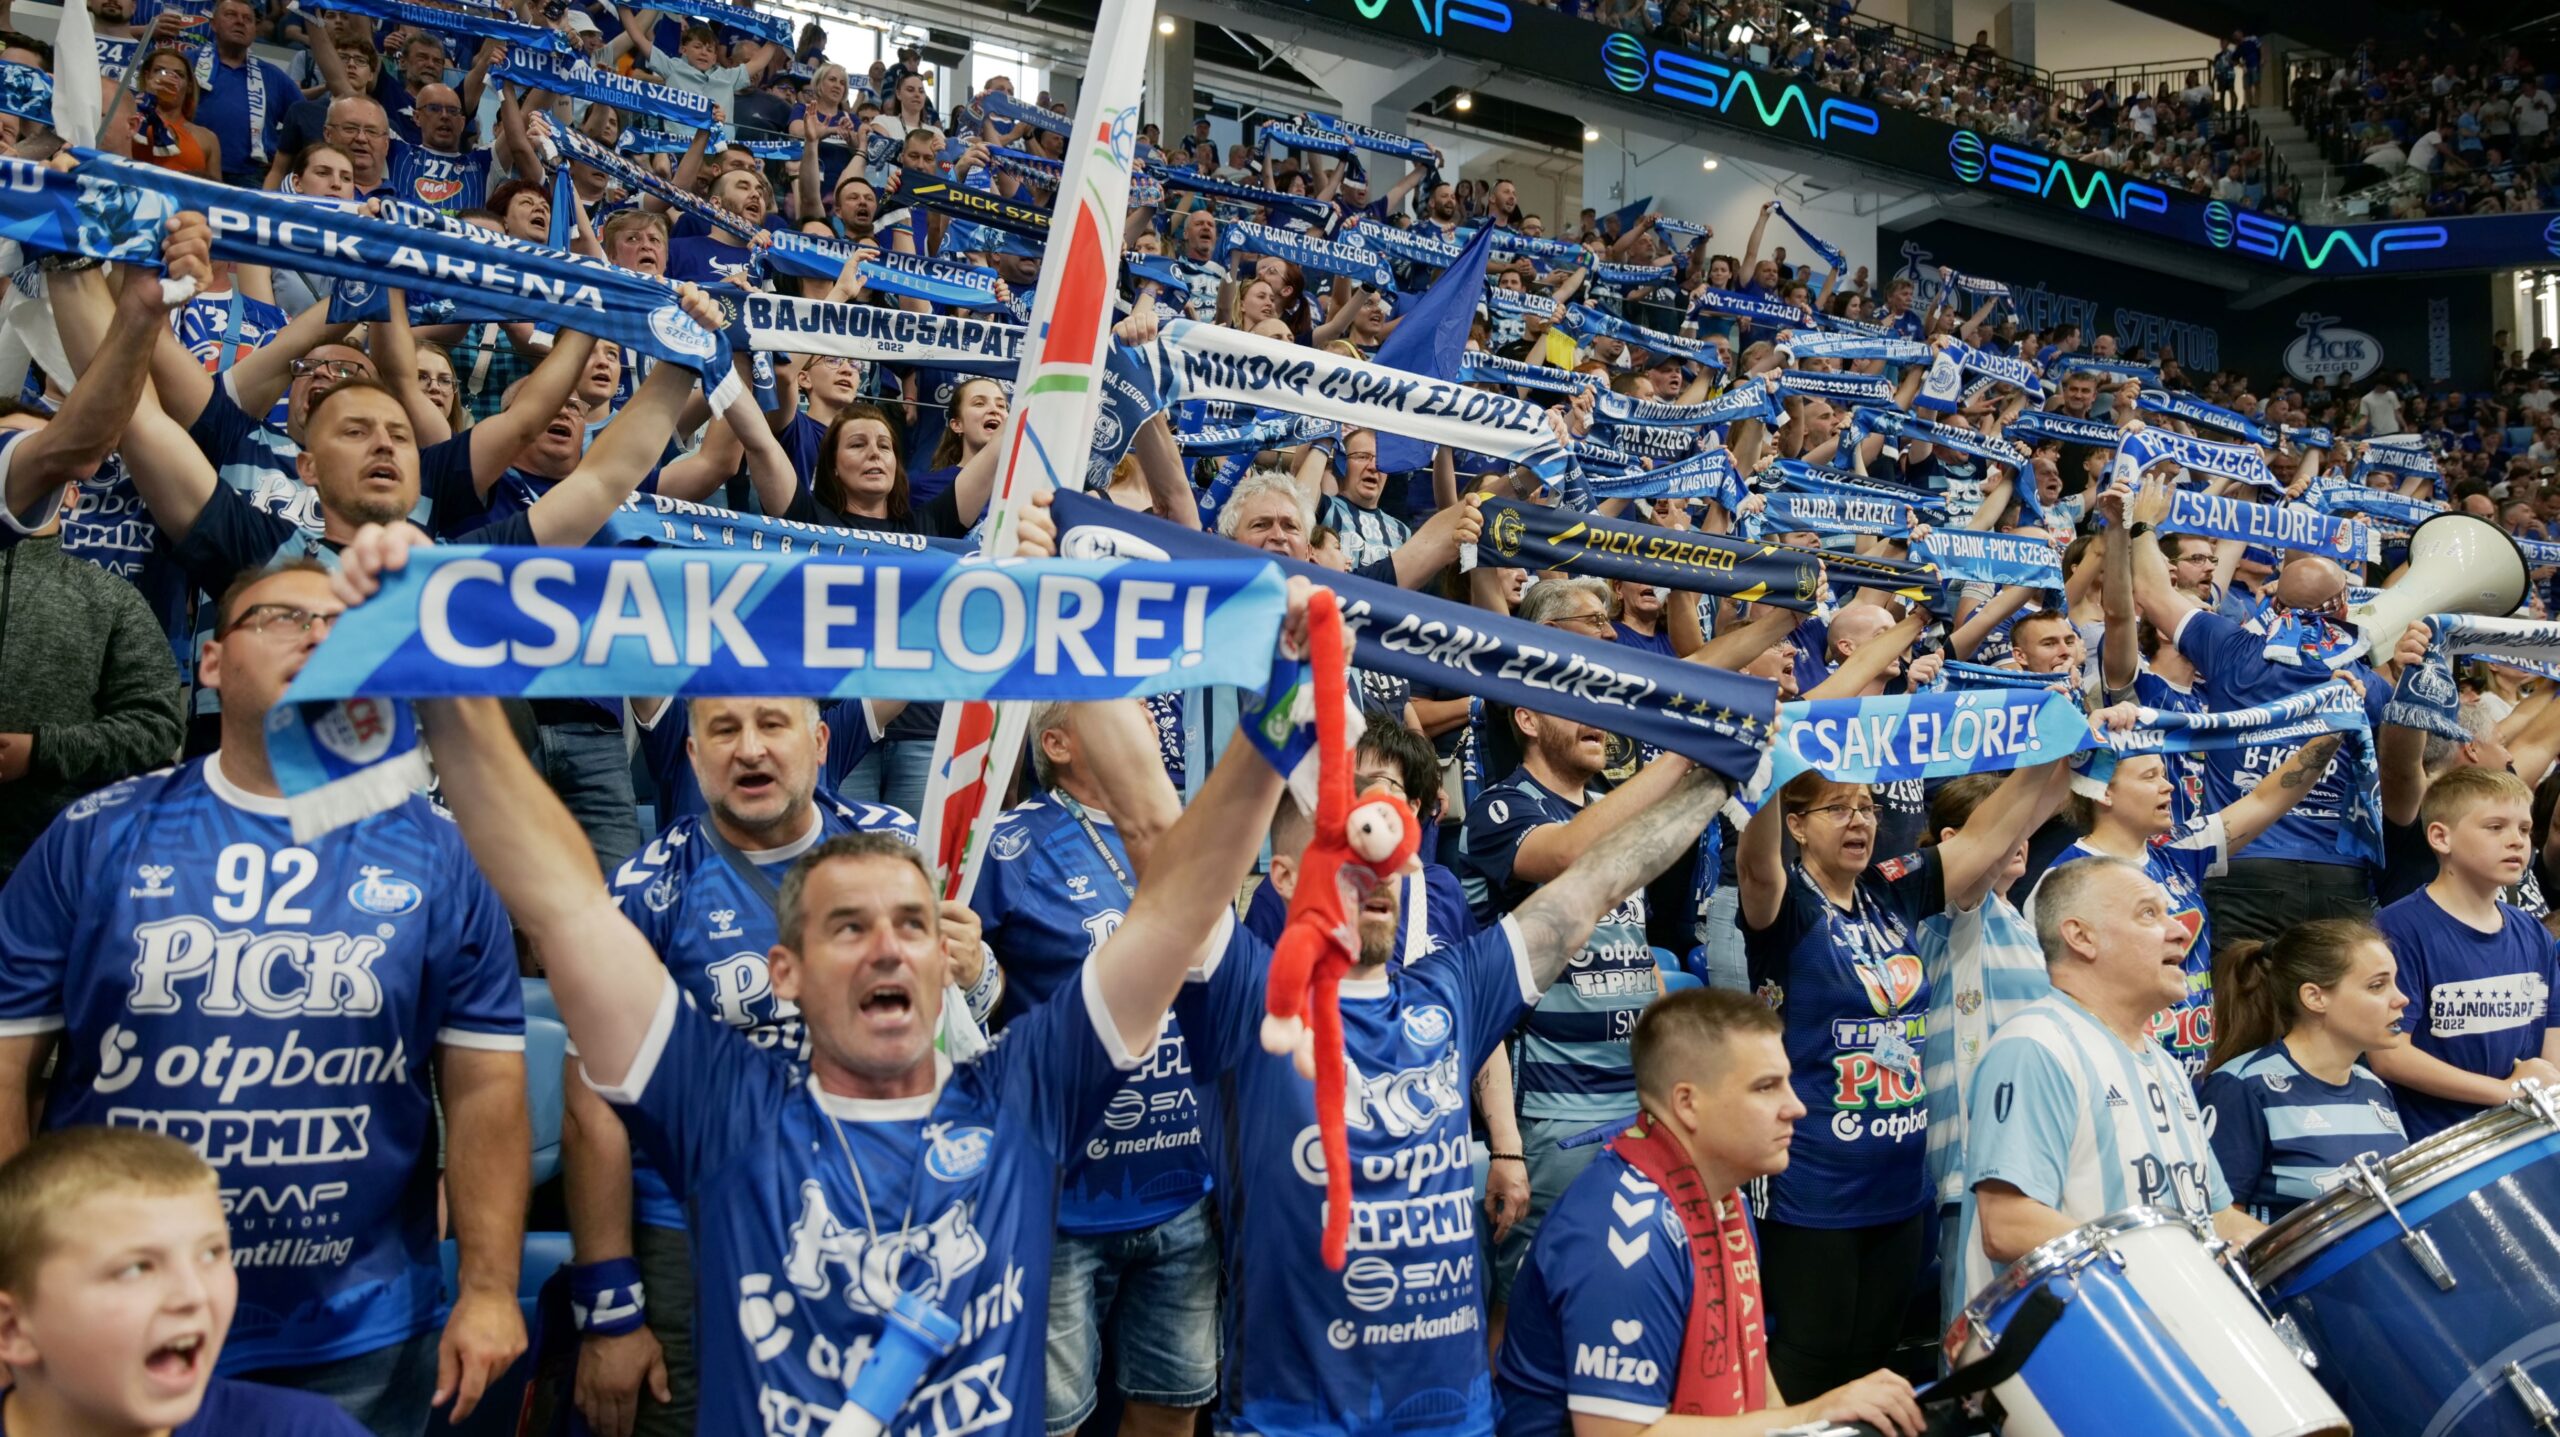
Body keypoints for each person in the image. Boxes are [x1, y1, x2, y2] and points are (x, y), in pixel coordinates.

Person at [351, 507, 1298, 1434]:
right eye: (847, 927)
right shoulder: (726, 1115)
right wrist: (432, 663)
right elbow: (563, 903)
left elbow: (1175, 893)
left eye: (911, 924)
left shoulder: (1023, 1094)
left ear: (944, 950)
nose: (886, 945)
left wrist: (1276, 698)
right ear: (786, 972)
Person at [0, 561, 530, 1437]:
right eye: (282, 616)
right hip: (106, 1310)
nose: (319, 636)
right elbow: (7, 1065)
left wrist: (487, 1286)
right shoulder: (96, 836)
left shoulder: (443, 853)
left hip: (357, 1330)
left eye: (342, 626)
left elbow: (485, 1087)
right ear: (210, 662)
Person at [1181, 756, 1730, 1437]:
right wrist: (1267, 733)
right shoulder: (1245, 999)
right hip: (1291, 1423)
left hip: (1455, 1420)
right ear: (1286, 878)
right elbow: (1157, 831)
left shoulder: (1454, 989)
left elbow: (1599, 882)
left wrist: (1719, 780)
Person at [562, 695, 935, 1437]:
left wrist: (977, 972)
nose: (750, 748)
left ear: (820, 740)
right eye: (724, 730)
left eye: (771, 724)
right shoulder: (643, 893)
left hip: (875, 1228)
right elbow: (591, 1107)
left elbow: (958, 1031)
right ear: (692, 755)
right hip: (695, 1242)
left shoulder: (897, 852)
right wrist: (610, 1314)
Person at [1735, 750, 2071, 1399]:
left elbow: (1986, 836)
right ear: (1797, 825)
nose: (1859, 820)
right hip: (1814, 1181)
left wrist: (2050, 753)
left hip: (1900, 1183)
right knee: (1811, 1364)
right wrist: (1769, 771)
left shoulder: (1893, 889)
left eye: (1867, 807)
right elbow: (1755, 864)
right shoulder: (1786, 905)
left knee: (1875, 1366)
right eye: (1839, 808)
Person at [1494, 990, 1923, 1437]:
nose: (1796, 1107)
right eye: (1766, 1087)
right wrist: (1811, 1414)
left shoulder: (1723, 1194)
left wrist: (1802, 1425)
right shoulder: (1626, 1236)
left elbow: (1752, 1365)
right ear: (1687, 1103)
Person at [972, 702, 1219, 1437]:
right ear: (1057, 742)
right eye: (1116, 702)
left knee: (1172, 1410)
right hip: (1059, 1203)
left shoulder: (1189, 833)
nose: (1145, 711)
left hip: (1183, 1191)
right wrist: (968, 966)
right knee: (1048, 1424)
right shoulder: (1007, 846)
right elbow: (961, 998)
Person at [1956, 857, 2264, 1307]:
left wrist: (2293, 1248)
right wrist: (2169, 1263)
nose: (2181, 931)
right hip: (2073, 1340)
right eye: (2149, 914)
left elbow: (2217, 1216)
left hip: (2168, 1323)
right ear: (2081, 937)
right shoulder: (2037, 1046)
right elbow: (2007, 1225)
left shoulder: (2166, 1064)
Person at [0, 1127, 367, 1435]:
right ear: (11, 1329)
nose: (194, 1294)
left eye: (211, 1254)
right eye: (136, 1269)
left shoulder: (305, 1429)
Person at [2037, 729, 2345, 1077]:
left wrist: (2333, 732)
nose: (2167, 786)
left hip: (2193, 1073)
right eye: (2150, 777)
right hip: (2119, 1070)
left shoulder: (2178, 849)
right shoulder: (2065, 878)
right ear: (2104, 792)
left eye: (2164, 774)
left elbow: (2265, 800)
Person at [2370, 767, 2560, 1141]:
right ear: (2441, 837)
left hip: (2524, 1136)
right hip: (2436, 1145)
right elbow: (2389, 1055)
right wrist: (2506, 1092)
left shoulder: (2534, 933)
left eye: (2524, 829)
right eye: (2495, 827)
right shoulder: (2397, 929)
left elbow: (2551, 1036)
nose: (2517, 841)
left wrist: (2546, 1091)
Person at [2199, 920, 2411, 1222]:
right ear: (2314, 997)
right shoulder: (2241, 1087)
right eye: (2377, 986)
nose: (2401, 998)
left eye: (2395, 982)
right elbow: (2217, 1220)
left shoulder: (2373, 1086)